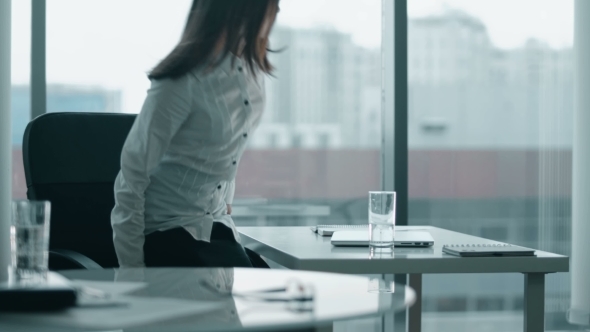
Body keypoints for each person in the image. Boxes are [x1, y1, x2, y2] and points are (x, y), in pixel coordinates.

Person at [111, 0, 280, 268]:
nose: (275, 14)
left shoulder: (251, 74)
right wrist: (132, 271)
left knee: (278, 293)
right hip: (170, 231)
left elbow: (230, 148)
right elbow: (131, 178)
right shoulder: (182, 81)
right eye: (270, 7)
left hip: (217, 227)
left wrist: (224, 197)